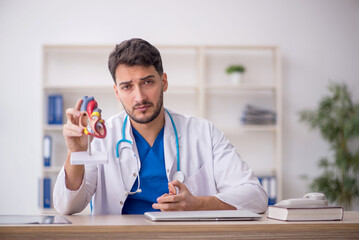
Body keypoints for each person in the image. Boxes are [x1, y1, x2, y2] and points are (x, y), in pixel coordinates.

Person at [53, 38, 268, 215]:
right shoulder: (102, 137)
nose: (139, 97)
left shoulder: (203, 132)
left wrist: (198, 204)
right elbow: (66, 206)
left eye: (147, 82)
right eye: (127, 87)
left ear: (163, 81)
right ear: (117, 92)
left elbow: (255, 197)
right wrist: (76, 153)